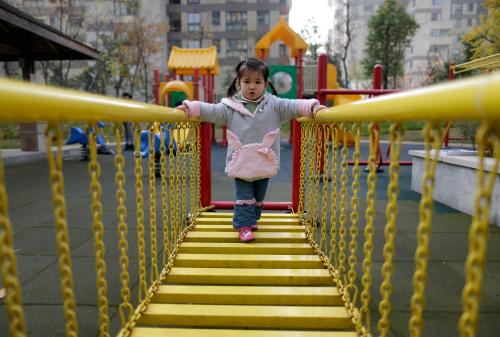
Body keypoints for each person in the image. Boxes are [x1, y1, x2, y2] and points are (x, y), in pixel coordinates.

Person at [177, 58, 326, 242]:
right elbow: (211, 110)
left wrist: (312, 106)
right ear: (238, 83)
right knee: (244, 195)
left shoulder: (274, 105)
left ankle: (252, 217)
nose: (252, 87)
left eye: (257, 82)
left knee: (258, 196)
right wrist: (190, 108)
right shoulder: (230, 107)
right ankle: (243, 225)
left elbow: (293, 105)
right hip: (242, 162)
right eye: (247, 82)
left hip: (264, 161)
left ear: (266, 84)